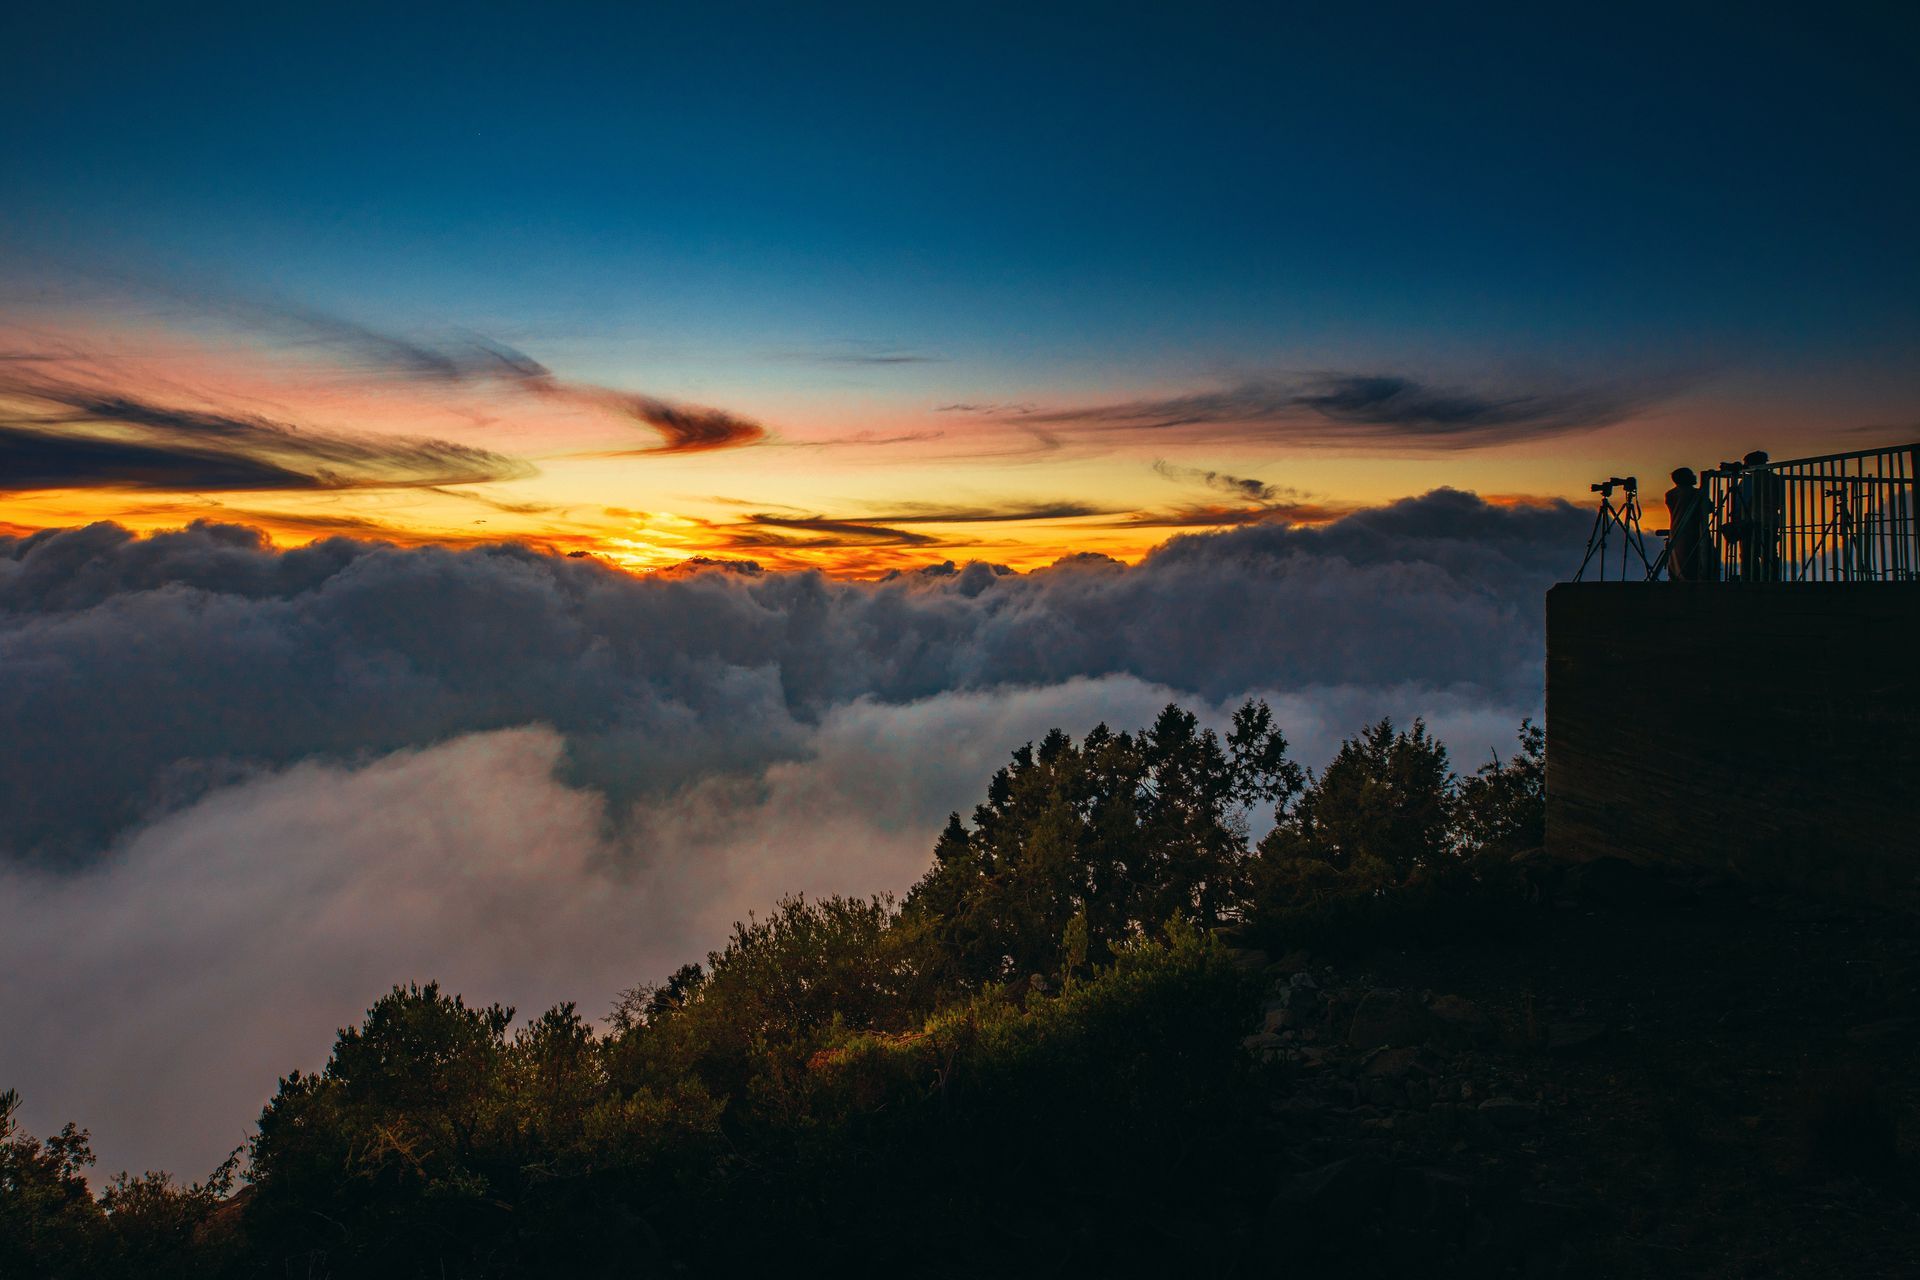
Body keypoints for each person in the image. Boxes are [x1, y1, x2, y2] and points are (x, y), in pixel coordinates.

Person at [1732, 449, 1784, 581]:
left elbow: (1741, 502)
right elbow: (1780, 501)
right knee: (1770, 553)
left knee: (1748, 554)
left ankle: (1751, 579)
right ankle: (1771, 578)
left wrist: (1736, 518)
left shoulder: (1749, 480)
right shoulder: (1775, 479)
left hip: (1751, 522)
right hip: (1771, 521)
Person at [1663, 467, 1711, 581]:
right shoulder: (1694, 493)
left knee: (1677, 562)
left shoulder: (1670, 494)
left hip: (1675, 531)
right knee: (1693, 563)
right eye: (1691, 474)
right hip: (1693, 532)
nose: (1694, 476)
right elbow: (1708, 508)